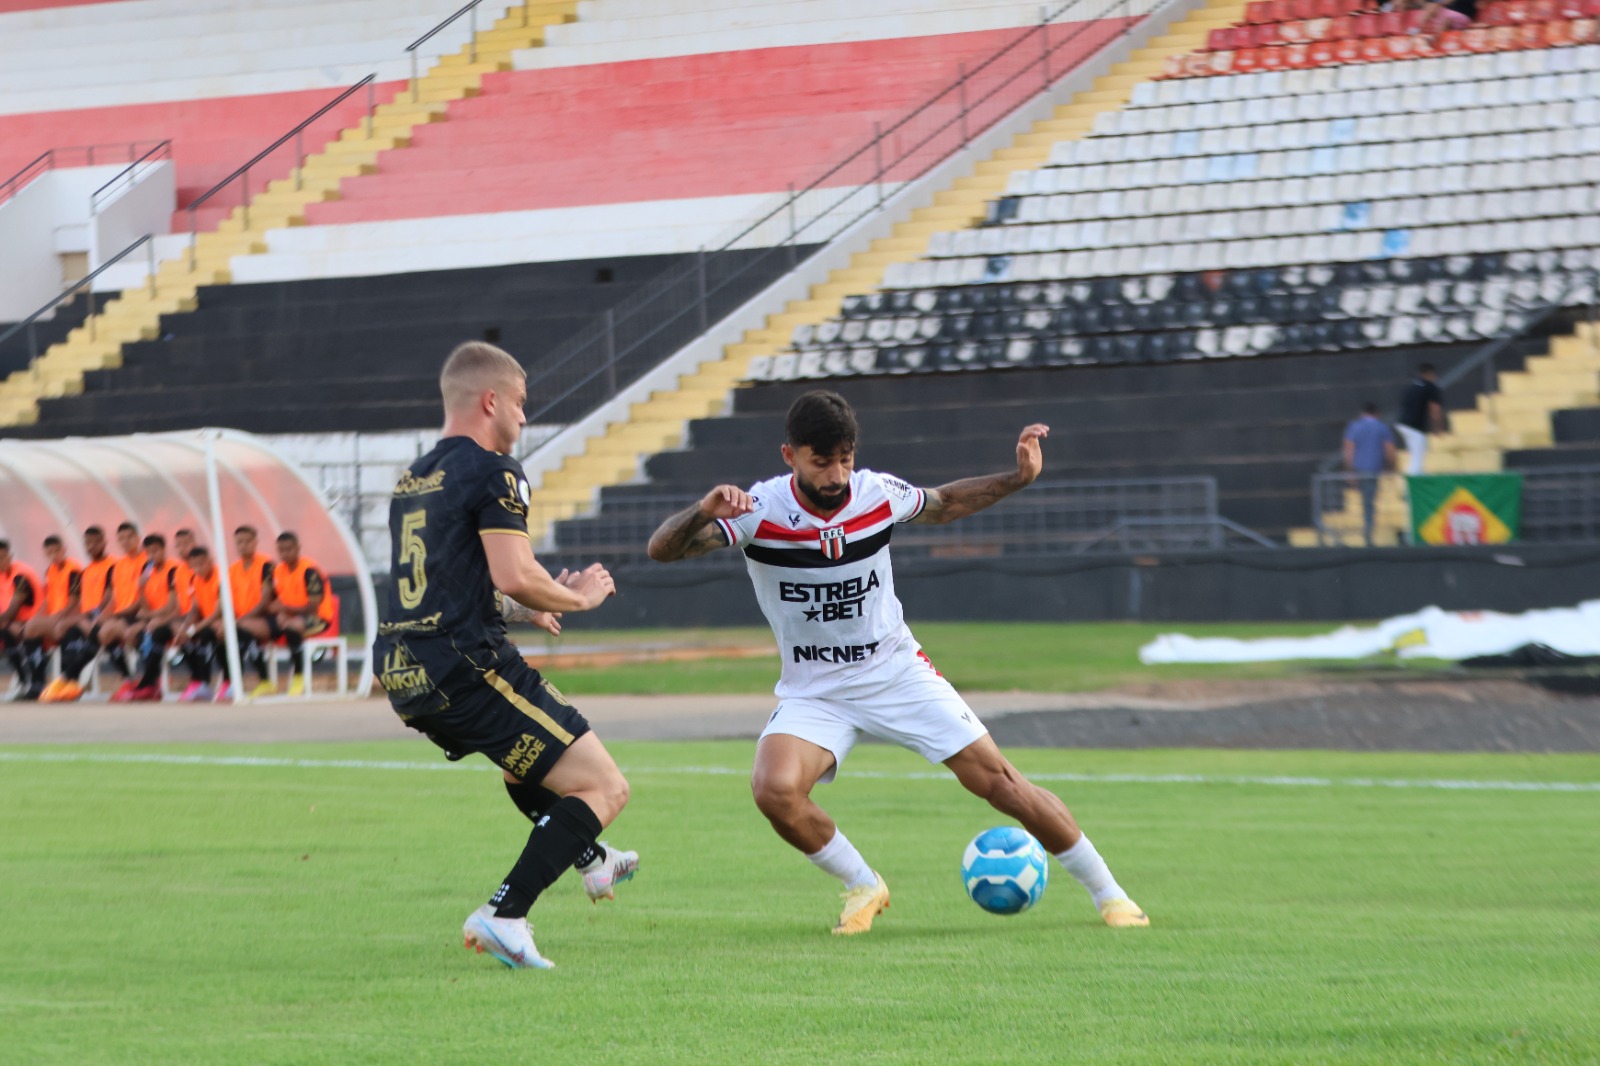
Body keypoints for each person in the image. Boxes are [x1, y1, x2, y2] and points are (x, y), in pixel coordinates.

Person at [646, 390, 1149, 934]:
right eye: (822, 461)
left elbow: (946, 503)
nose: (837, 473)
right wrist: (701, 510)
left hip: (894, 670)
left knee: (1000, 783)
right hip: (816, 689)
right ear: (789, 455)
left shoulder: (876, 493)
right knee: (774, 790)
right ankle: (864, 885)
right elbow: (662, 550)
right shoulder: (758, 512)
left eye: (846, 458)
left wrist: (1017, 478)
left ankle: (1112, 895)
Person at [372, 340, 639, 970]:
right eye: (520, 404)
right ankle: (505, 913)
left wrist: (522, 609)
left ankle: (592, 860)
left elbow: (448, 582)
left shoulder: (414, 478)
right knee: (605, 785)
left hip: (406, 672)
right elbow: (515, 572)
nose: (523, 418)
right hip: (466, 664)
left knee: (528, 770)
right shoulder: (496, 469)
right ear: (491, 401)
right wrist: (579, 598)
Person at [42, 526, 114, 703]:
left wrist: (91, 616)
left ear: (104, 542)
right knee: (69, 633)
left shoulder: (113, 565)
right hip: (87, 617)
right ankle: (70, 685)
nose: (91, 546)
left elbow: (110, 597)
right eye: (88, 543)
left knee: (86, 633)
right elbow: (83, 600)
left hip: (102, 618)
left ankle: (66, 679)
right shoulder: (87, 570)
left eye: (95, 542)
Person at [263, 531, 338, 697]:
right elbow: (273, 602)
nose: (284, 554)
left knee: (292, 627)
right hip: (290, 616)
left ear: (298, 548)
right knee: (263, 628)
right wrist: (278, 611)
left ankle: (298, 675)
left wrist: (285, 610)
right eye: (281, 550)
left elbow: (313, 607)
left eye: (289, 549)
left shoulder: (309, 570)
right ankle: (265, 681)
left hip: (319, 618)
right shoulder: (277, 571)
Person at [114, 533, 183, 702]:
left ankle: (149, 683)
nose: (152, 556)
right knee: (131, 633)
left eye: (156, 551)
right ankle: (144, 680)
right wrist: (142, 589)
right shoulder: (147, 569)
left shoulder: (172, 569)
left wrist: (150, 617)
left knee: (153, 633)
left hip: (170, 617)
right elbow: (145, 607)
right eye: (149, 552)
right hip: (152, 617)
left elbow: (173, 605)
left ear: (163, 549)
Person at [19, 535, 82, 701]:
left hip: (69, 617)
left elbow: (74, 600)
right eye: (50, 552)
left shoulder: (73, 569)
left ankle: (55, 683)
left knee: (34, 629)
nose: (54, 555)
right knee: (29, 628)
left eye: (57, 551)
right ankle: (37, 682)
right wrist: (39, 616)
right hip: (54, 618)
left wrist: (57, 618)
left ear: (64, 550)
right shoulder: (50, 570)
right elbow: (47, 599)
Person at [97, 521, 148, 697]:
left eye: (129, 537)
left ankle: (148, 681)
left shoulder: (148, 562)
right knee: (99, 632)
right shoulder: (118, 566)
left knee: (113, 631)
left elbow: (146, 598)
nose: (125, 542)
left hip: (141, 614)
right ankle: (129, 679)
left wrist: (116, 616)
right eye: (121, 539)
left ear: (137, 538)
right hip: (122, 615)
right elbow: (114, 599)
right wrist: (102, 616)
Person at [228, 525, 276, 698]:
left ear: (255, 542)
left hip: (266, 618)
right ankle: (234, 681)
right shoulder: (233, 569)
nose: (243, 545)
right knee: (226, 633)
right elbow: (228, 600)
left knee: (239, 631)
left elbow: (266, 600)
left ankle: (264, 680)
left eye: (247, 541)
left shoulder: (266, 565)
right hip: (243, 619)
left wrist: (242, 619)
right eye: (239, 542)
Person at [1343, 401, 1398, 547]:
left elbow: (1349, 449)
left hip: (1359, 468)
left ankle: (1367, 531)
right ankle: (1368, 531)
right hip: (1374, 469)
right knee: (1369, 501)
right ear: (1377, 414)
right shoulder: (1382, 428)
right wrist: (1391, 468)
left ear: (1363, 413)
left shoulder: (1354, 427)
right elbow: (1390, 450)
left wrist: (1350, 471)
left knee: (1366, 501)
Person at [177, 546, 225, 702]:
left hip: (220, 621)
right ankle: (198, 681)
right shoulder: (194, 579)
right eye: (195, 565)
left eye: (202, 564)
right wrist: (186, 627)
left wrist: (195, 628)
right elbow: (195, 609)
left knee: (206, 635)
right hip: (206, 622)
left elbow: (218, 611)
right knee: (184, 640)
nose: (198, 568)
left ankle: (218, 681)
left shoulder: (220, 576)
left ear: (210, 561)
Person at [0, 540, 42, 700]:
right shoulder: (3, 575)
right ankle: (25, 682)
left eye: (2, 557)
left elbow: (12, 612)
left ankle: (30, 683)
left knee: (7, 632)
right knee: (6, 631)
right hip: (14, 624)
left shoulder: (21, 575)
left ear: (10, 557)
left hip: (34, 623)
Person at [1395, 363, 1445, 476]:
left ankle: (1414, 482)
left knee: (1415, 456)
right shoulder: (1430, 387)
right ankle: (1413, 487)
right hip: (1415, 427)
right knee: (1418, 458)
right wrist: (1438, 427)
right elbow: (1435, 409)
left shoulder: (1412, 386)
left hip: (1403, 424)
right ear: (1431, 374)